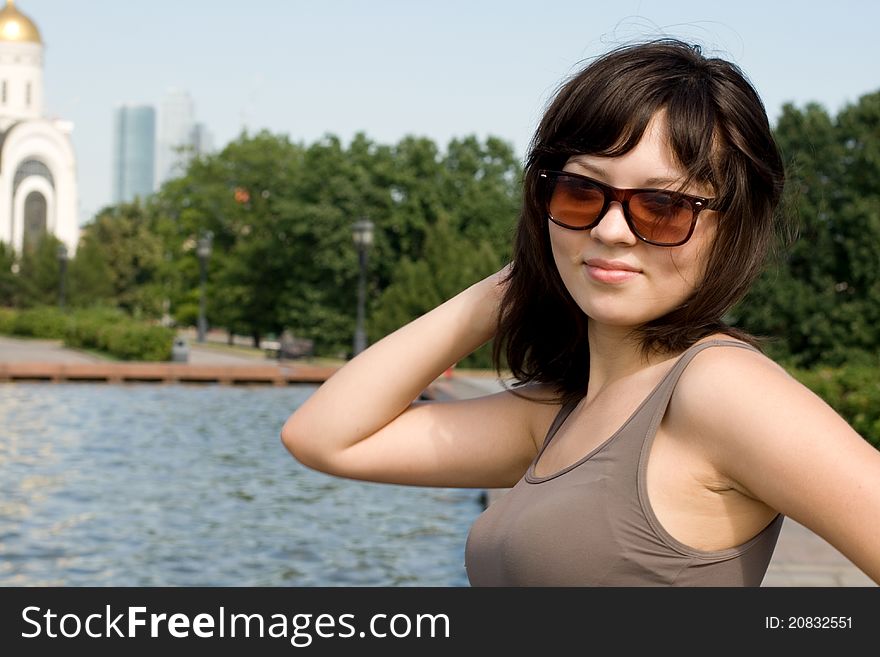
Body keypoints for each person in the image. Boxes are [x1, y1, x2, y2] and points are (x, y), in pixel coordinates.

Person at [281, 39, 880, 586]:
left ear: (732, 228)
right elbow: (324, 438)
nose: (612, 230)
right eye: (580, 193)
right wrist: (527, 273)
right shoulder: (562, 413)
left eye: (662, 206)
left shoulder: (720, 390)